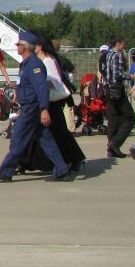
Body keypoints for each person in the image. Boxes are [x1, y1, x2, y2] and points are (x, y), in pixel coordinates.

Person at [0, 31, 69, 182]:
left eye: (18, 44)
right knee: (45, 139)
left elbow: (41, 88)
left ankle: (5, 171)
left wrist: (44, 109)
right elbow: (27, 85)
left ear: (24, 47)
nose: (17, 46)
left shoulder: (34, 65)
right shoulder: (27, 64)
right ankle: (61, 169)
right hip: (29, 106)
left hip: (32, 108)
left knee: (18, 138)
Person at [22, 38, 85, 173]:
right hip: (44, 101)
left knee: (58, 133)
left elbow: (54, 81)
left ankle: (75, 159)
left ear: (39, 47)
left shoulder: (47, 61)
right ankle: (26, 162)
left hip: (51, 102)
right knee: (41, 134)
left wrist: (38, 83)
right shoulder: (40, 61)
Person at [103, 37, 135, 158]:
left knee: (113, 118)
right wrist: (129, 76)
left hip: (108, 88)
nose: (124, 46)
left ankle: (111, 149)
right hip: (116, 88)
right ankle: (115, 143)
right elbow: (117, 74)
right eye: (123, 43)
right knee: (130, 117)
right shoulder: (117, 55)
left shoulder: (107, 55)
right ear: (118, 44)